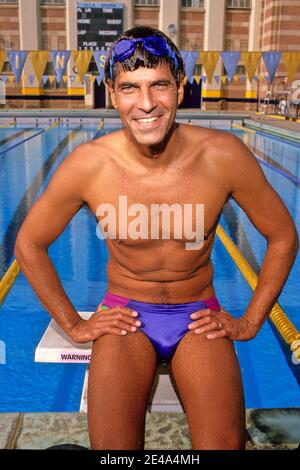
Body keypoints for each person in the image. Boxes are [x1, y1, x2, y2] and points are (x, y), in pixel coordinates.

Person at [14, 26, 298, 450]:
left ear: (181, 88)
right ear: (112, 93)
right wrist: (74, 324)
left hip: (198, 316)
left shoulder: (223, 156)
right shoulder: (89, 164)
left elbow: (282, 236)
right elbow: (28, 244)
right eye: (130, 88)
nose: (145, 104)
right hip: (125, 314)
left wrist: (252, 319)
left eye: (159, 85)